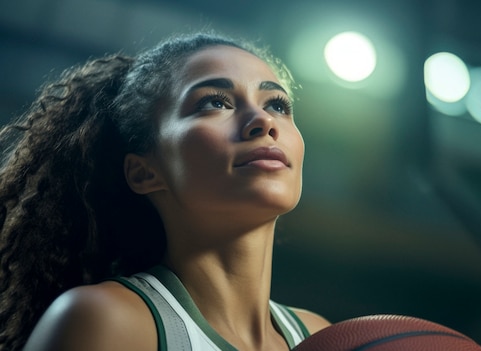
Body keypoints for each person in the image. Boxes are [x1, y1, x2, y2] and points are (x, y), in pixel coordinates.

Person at [0, 31, 331, 351]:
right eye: (215, 102)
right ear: (144, 172)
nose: (263, 121)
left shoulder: (325, 338)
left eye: (277, 105)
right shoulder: (107, 322)